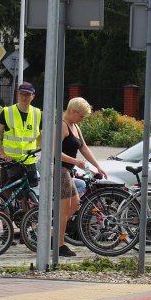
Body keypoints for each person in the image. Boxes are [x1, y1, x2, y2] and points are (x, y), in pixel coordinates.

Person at [58, 98, 107, 257]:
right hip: (59, 169)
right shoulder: (63, 126)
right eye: (82, 115)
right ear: (72, 111)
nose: (83, 119)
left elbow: (84, 148)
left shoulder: (75, 126)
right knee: (64, 208)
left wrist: (97, 166)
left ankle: (53, 232)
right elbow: (54, 151)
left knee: (76, 204)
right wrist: (76, 162)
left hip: (67, 170)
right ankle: (59, 245)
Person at [0, 83, 42, 186]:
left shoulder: (38, 113)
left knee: (30, 194)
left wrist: (44, 154)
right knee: (8, 193)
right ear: (17, 95)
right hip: (10, 161)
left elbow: (40, 137)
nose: (24, 97)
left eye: (27, 95)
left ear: (33, 96)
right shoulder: (7, 111)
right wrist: (2, 154)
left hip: (29, 160)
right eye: (21, 94)